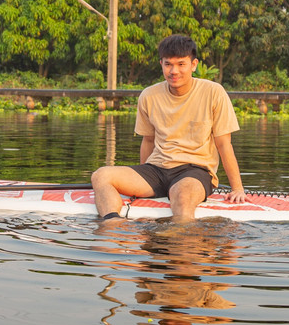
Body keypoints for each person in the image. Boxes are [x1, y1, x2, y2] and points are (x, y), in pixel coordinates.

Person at [91, 34, 248, 222]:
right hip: (157, 169)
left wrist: (237, 188)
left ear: (194, 64)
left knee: (181, 196)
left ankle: (179, 240)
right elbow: (148, 140)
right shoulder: (149, 95)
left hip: (194, 171)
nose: (174, 71)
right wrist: (141, 180)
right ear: (161, 64)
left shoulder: (213, 92)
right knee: (101, 176)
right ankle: (113, 226)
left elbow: (224, 144)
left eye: (181, 64)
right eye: (168, 64)